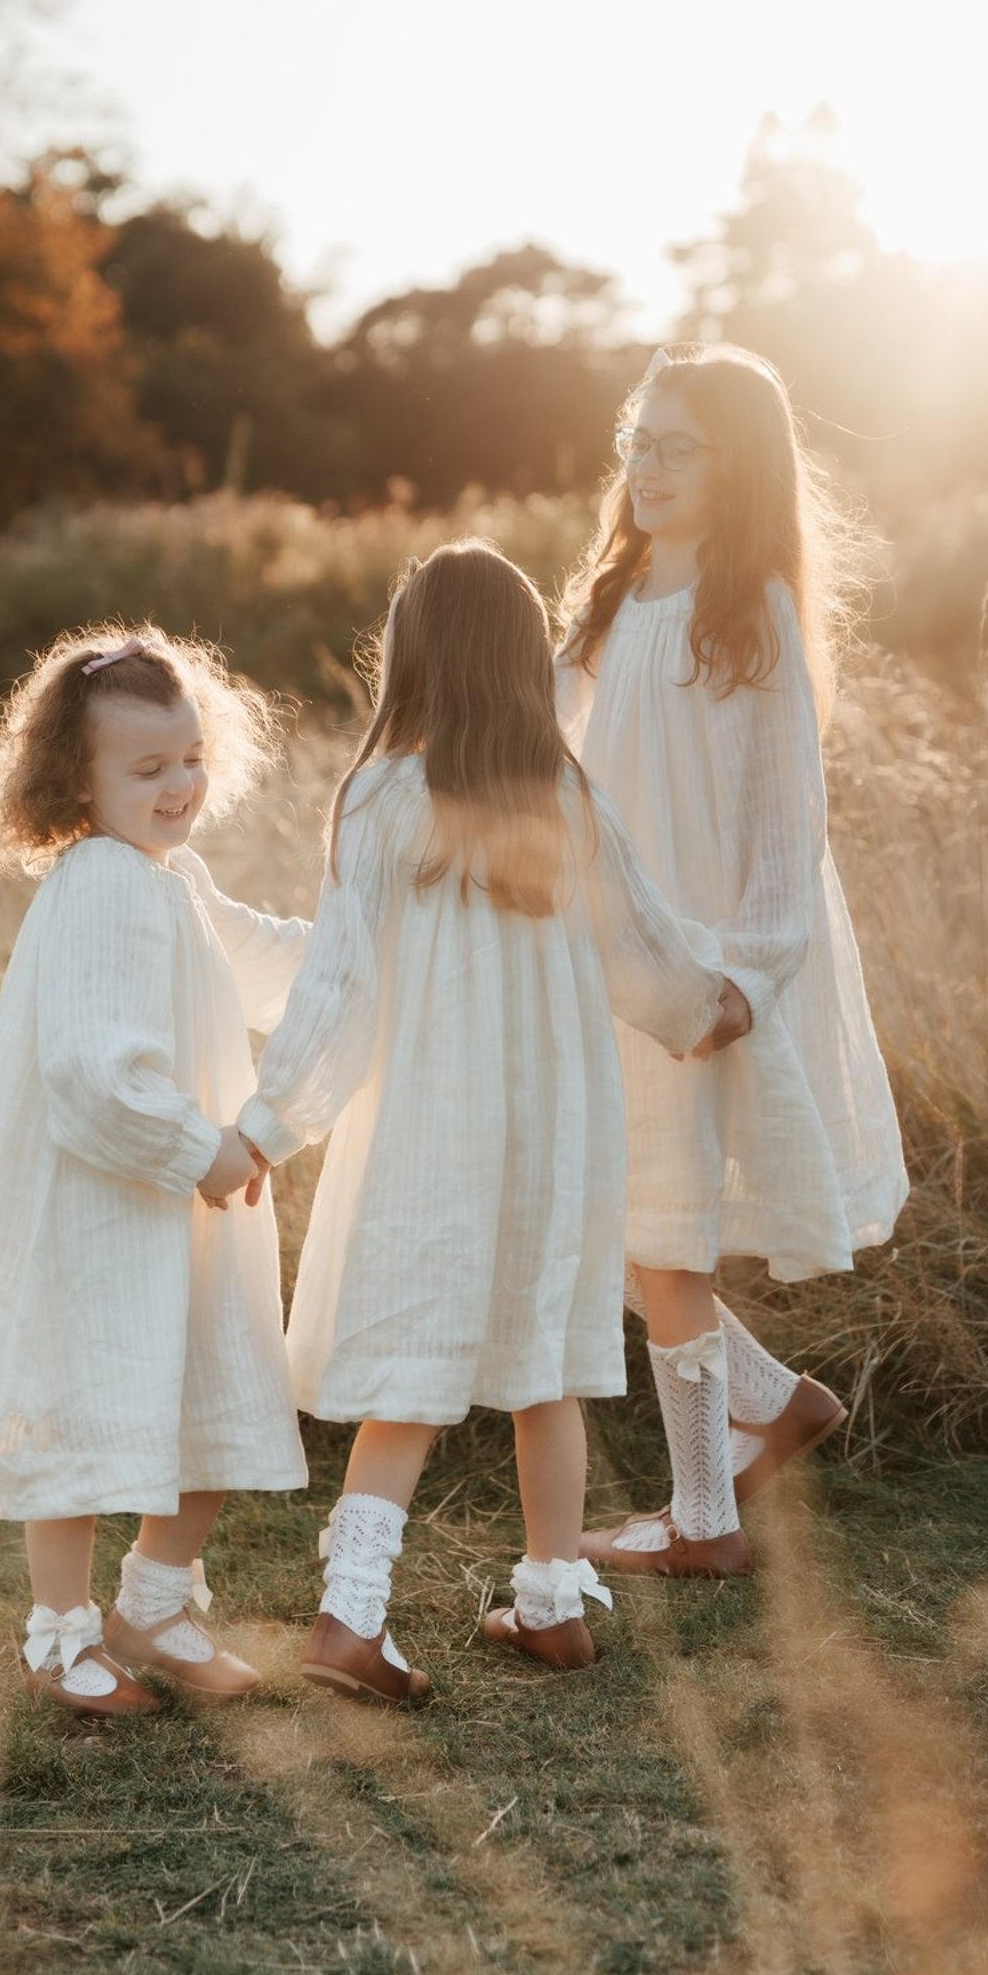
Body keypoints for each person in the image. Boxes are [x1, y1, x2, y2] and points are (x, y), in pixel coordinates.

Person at [238, 541, 727, 1706]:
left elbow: (339, 991)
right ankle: (552, 1599)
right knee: (547, 1364)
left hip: (429, 1138)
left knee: (413, 1367)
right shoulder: (566, 798)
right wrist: (711, 1010)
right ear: (520, 664)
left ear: (411, 660)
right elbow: (649, 953)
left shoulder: (380, 801)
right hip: (556, 1135)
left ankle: (352, 1616)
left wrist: (267, 1124)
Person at [0, 628, 307, 1715]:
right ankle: (59, 1631)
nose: (180, 788)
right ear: (78, 778)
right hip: (100, 1204)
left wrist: (380, 944)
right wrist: (200, 1149)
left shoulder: (175, 876)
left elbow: (262, 961)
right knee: (68, 1414)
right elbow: (88, 1074)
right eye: (148, 769)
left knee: (218, 1379)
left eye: (191, 759)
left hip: (189, 1210)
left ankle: (155, 1604)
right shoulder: (101, 886)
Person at [558, 345, 908, 1579]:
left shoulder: (748, 606)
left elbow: (785, 819)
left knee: (662, 1230)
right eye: (636, 443)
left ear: (736, 466)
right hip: (619, 946)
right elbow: (551, 749)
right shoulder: (618, 591)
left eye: (675, 448)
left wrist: (743, 979)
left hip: (702, 965)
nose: (643, 468)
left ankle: (703, 1517)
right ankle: (773, 1406)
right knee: (612, 1206)